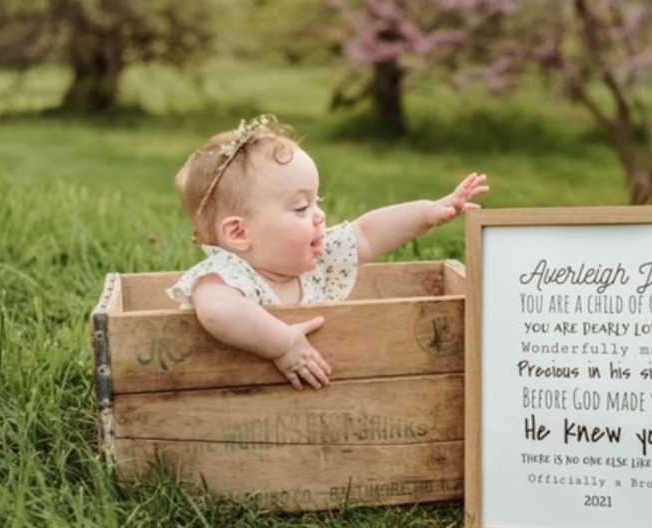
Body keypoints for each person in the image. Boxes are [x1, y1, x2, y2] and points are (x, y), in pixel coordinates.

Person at [166, 114, 489, 391]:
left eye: (316, 202)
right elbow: (216, 312)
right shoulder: (228, 277)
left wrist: (428, 212)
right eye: (301, 207)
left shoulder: (316, 262)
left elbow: (367, 233)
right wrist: (282, 344)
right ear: (239, 233)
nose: (319, 215)